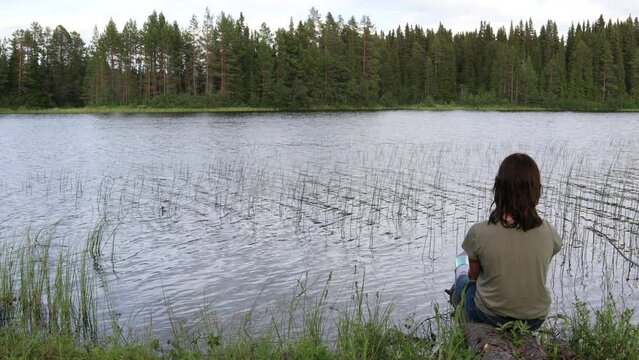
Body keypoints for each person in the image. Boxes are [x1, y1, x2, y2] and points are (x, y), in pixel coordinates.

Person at [452, 153, 562, 330]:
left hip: (491, 315)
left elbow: (474, 277)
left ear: (499, 189)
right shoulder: (550, 232)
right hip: (535, 319)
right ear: (535, 190)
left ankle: (460, 314)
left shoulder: (479, 232)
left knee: (461, 280)